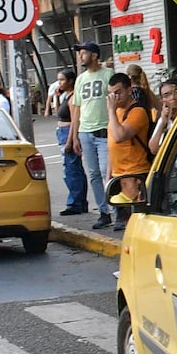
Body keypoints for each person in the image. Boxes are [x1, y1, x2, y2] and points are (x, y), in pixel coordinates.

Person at [70, 41, 114, 230]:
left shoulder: (108, 74)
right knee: (94, 174)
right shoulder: (80, 79)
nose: (81, 56)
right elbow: (77, 108)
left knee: (107, 172)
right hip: (85, 132)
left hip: (104, 130)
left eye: (84, 53)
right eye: (80, 53)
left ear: (94, 55)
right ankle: (104, 212)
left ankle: (117, 210)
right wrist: (74, 136)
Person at [105, 73, 153, 232]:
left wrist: (111, 111)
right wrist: (108, 175)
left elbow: (120, 136)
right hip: (118, 176)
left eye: (118, 92)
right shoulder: (116, 113)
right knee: (125, 223)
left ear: (129, 90)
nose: (115, 98)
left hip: (135, 174)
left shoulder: (137, 111)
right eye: (111, 94)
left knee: (137, 223)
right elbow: (112, 145)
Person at [51, 69, 89, 216]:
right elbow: (58, 113)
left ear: (70, 81)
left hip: (67, 132)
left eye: (62, 80)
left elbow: (74, 120)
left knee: (72, 169)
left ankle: (75, 202)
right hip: (62, 132)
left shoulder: (73, 98)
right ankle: (79, 201)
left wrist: (70, 141)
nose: (59, 83)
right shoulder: (65, 96)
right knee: (73, 168)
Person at [149, 80, 177, 156]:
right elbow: (154, 149)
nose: (173, 97)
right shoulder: (164, 120)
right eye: (166, 95)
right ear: (162, 101)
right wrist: (163, 123)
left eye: (176, 92)